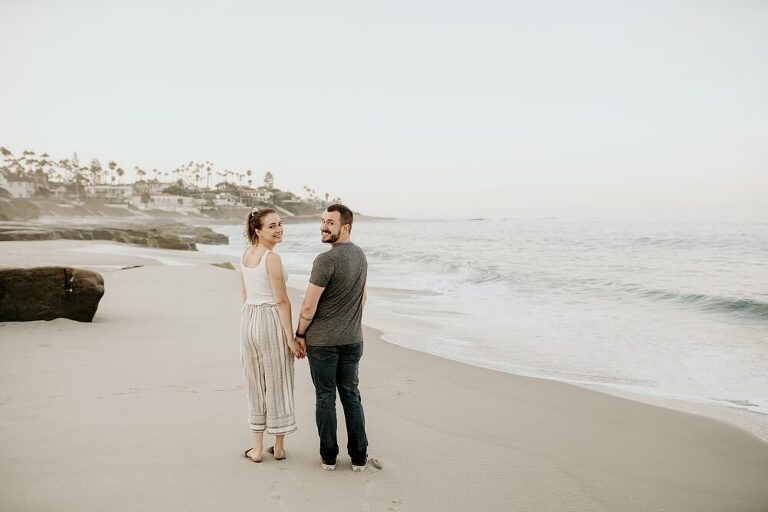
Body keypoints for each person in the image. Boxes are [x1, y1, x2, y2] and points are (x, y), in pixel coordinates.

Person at [294, 204, 369, 472]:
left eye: (330, 222)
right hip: (352, 340)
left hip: (323, 343)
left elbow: (308, 307)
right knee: (351, 395)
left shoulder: (325, 260)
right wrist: (350, 324)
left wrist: (299, 334)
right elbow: (363, 297)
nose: (324, 226)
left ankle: (328, 456)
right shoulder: (360, 255)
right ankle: (359, 456)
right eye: (323, 221)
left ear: (345, 227)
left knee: (325, 396)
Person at [239, 208, 304, 463]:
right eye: (271, 226)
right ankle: (277, 447)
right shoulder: (271, 258)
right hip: (269, 320)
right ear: (258, 230)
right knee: (278, 383)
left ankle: (256, 449)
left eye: (280, 223)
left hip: (248, 319)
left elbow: (244, 294)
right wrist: (290, 337)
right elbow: (282, 301)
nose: (279, 229)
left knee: (255, 382)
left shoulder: (245, 255)